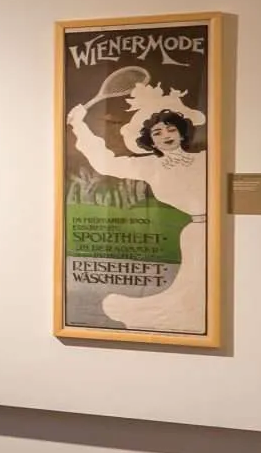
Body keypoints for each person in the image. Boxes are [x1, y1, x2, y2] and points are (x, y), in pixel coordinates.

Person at [65, 97, 208, 332]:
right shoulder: (150, 166)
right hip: (195, 234)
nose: (166, 135)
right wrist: (78, 125)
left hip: (219, 233)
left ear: (182, 133)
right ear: (150, 140)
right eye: (157, 133)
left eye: (171, 129)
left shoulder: (205, 160)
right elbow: (105, 163)